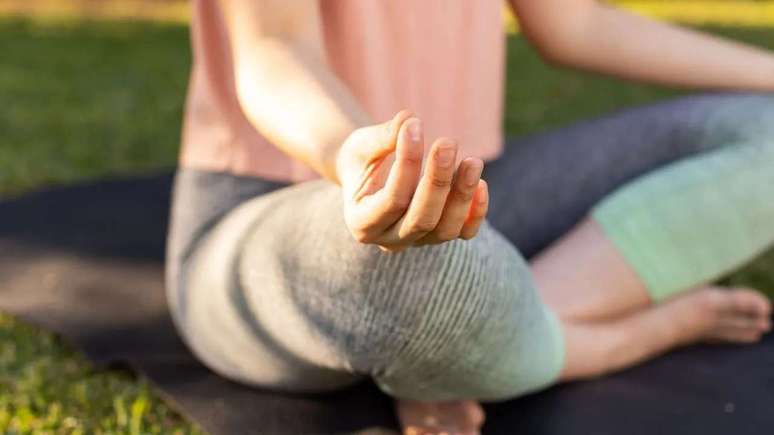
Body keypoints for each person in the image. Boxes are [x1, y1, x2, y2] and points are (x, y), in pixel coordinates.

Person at [165, 1, 774, 434]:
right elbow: (275, 49)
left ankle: (474, 347)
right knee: (405, 268)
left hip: (474, 192)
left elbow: (575, 24)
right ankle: (612, 339)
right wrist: (355, 157)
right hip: (273, 209)